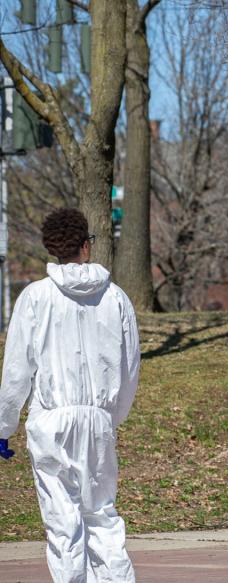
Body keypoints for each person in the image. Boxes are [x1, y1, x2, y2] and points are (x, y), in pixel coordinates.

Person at [0, 208, 140, 583]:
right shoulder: (116, 298)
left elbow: (17, 369)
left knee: (63, 521)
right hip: (98, 420)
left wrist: (4, 425)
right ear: (85, 245)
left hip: (51, 421)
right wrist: (112, 416)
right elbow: (129, 369)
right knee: (102, 515)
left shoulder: (35, 298)